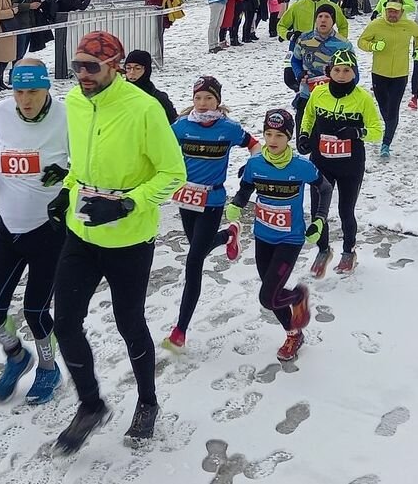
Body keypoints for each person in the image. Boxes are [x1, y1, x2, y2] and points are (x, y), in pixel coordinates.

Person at [50, 31, 186, 453]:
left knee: (130, 324)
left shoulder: (144, 109)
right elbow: (82, 160)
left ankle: (147, 401)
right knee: (65, 323)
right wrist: (68, 190)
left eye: (92, 67)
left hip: (129, 238)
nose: (82, 76)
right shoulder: (74, 101)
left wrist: (128, 205)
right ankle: (91, 405)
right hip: (83, 231)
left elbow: (172, 174)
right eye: (77, 67)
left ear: (115, 66)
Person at [0, 59, 68, 404]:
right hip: (8, 228)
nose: (25, 100)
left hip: (48, 231)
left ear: (46, 88)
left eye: (32, 91)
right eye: (18, 91)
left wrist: (65, 176)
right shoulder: (2, 112)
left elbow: (85, 164)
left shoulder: (66, 116)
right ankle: (17, 355)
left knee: (36, 312)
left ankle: (48, 368)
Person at [224, 109, 332, 361]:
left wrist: (319, 220)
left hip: (290, 239)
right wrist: (237, 204)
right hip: (263, 235)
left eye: (279, 136)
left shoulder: (301, 167)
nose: (272, 141)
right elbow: (246, 188)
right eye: (268, 134)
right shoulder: (255, 164)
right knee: (272, 293)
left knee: (268, 296)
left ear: (289, 138)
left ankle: (299, 296)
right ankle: (293, 334)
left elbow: (324, 189)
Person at [164, 76, 260, 351]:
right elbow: (161, 150)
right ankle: (229, 234)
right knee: (199, 247)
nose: (203, 104)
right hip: (186, 197)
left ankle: (180, 330)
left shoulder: (228, 128)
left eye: (208, 98)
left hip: (213, 198)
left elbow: (254, 144)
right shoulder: (181, 127)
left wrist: (252, 165)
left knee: (194, 261)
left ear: (218, 100)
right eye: (198, 98)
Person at [297, 50, 383, 275]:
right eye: (337, 70)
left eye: (347, 70)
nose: (342, 75)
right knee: (318, 211)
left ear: (354, 73)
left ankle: (348, 251)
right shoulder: (319, 93)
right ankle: (323, 249)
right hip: (322, 162)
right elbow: (308, 116)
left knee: (346, 210)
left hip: (350, 165)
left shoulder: (363, 97)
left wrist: (356, 132)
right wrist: (304, 135)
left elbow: (376, 131)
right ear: (329, 71)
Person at [358, 0, 418, 158]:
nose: (392, 15)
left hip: (400, 74)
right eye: (389, 11)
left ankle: (386, 143)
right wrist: (373, 46)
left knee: (393, 109)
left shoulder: (408, 25)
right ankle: (389, 125)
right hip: (379, 73)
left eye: (395, 12)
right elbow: (361, 42)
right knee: (384, 108)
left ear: (401, 12)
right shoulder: (376, 25)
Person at [291, 4, 354, 136]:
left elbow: (354, 73)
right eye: (320, 16)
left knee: (326, 142)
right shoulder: (304, 39)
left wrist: (339, 80)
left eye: (327, 17)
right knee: (303, 144)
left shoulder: (344, 44)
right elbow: (295, 60)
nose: (323, 20)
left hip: (332, 100)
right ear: (315, 20)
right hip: (307, 96)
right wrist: (299, 74)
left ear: (333, 21)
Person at [124, 49, 178, 125]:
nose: (132, 72)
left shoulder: (159, 98)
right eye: (128, 68)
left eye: (137, 68)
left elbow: (172, 124)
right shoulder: (117, 94)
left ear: (146, 70)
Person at [8, 0, 42, 75]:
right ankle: (13, 76)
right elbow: (13, 5)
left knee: (22, 53)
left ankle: (17, 74)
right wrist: (29, 6)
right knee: (17, 54)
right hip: (19, 24)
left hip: (29, 23)